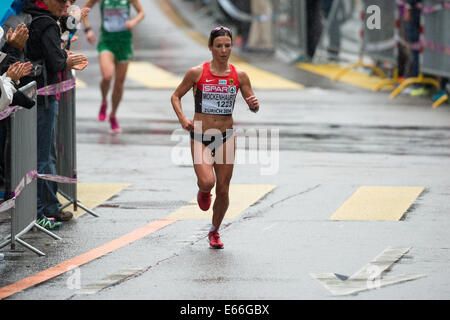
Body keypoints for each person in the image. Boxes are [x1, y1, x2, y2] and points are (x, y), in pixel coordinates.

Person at [171, 26, 260, 249]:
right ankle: (203, 190)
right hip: (201, 135)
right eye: (218, 46)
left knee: (223, 189)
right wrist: (183, 119)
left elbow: (252, 102)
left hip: (226, 136)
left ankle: (214, 231)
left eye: (227, 46)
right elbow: (175, 96)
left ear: (232, 47)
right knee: (208, 182)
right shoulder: (197, 73)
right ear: (210, 47)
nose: (223, 50)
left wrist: (254, 105)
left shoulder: (239, 75)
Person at [23, 0, 88, 230]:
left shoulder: (29, 16)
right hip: (45, 97)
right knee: (43, 157)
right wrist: (67, 59)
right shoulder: (47, 23)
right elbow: (56, 61)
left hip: (33, 96)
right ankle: (41, 211)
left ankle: (48, 206)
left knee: (42, 154)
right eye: (62, 0)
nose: (67, 4)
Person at [81, 0, 145, 133]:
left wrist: (133, 22)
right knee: (107, 76)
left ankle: (113, 115)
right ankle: (104, 100)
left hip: (124, 42)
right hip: (107, 42)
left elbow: (141, 13)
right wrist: (88, 30)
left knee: (119, 83)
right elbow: (85, 8)